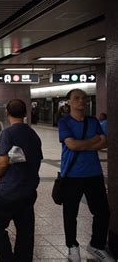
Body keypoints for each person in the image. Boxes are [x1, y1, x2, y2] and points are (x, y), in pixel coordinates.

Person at [59, 89, 113, 262]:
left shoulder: (92, 121)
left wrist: (83, 145)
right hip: (72, 175)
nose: (81, 101)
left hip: (94, 173)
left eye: (84, 98)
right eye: (76, 98)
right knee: (70, 213)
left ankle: (96, 245)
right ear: (69, 102)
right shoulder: (64, 122)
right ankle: (72, 247)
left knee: (102, 212)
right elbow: (72, 145)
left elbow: (104, 141)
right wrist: (91, 142)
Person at [0, 99, 43, 262]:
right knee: (25, 230)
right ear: (25, 114)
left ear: (7, 112)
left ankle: (7, 259)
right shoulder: (34, 135)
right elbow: (36, 161)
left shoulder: (9, 133)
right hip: (28, 191)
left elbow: (3, 161)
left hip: (9, 191)